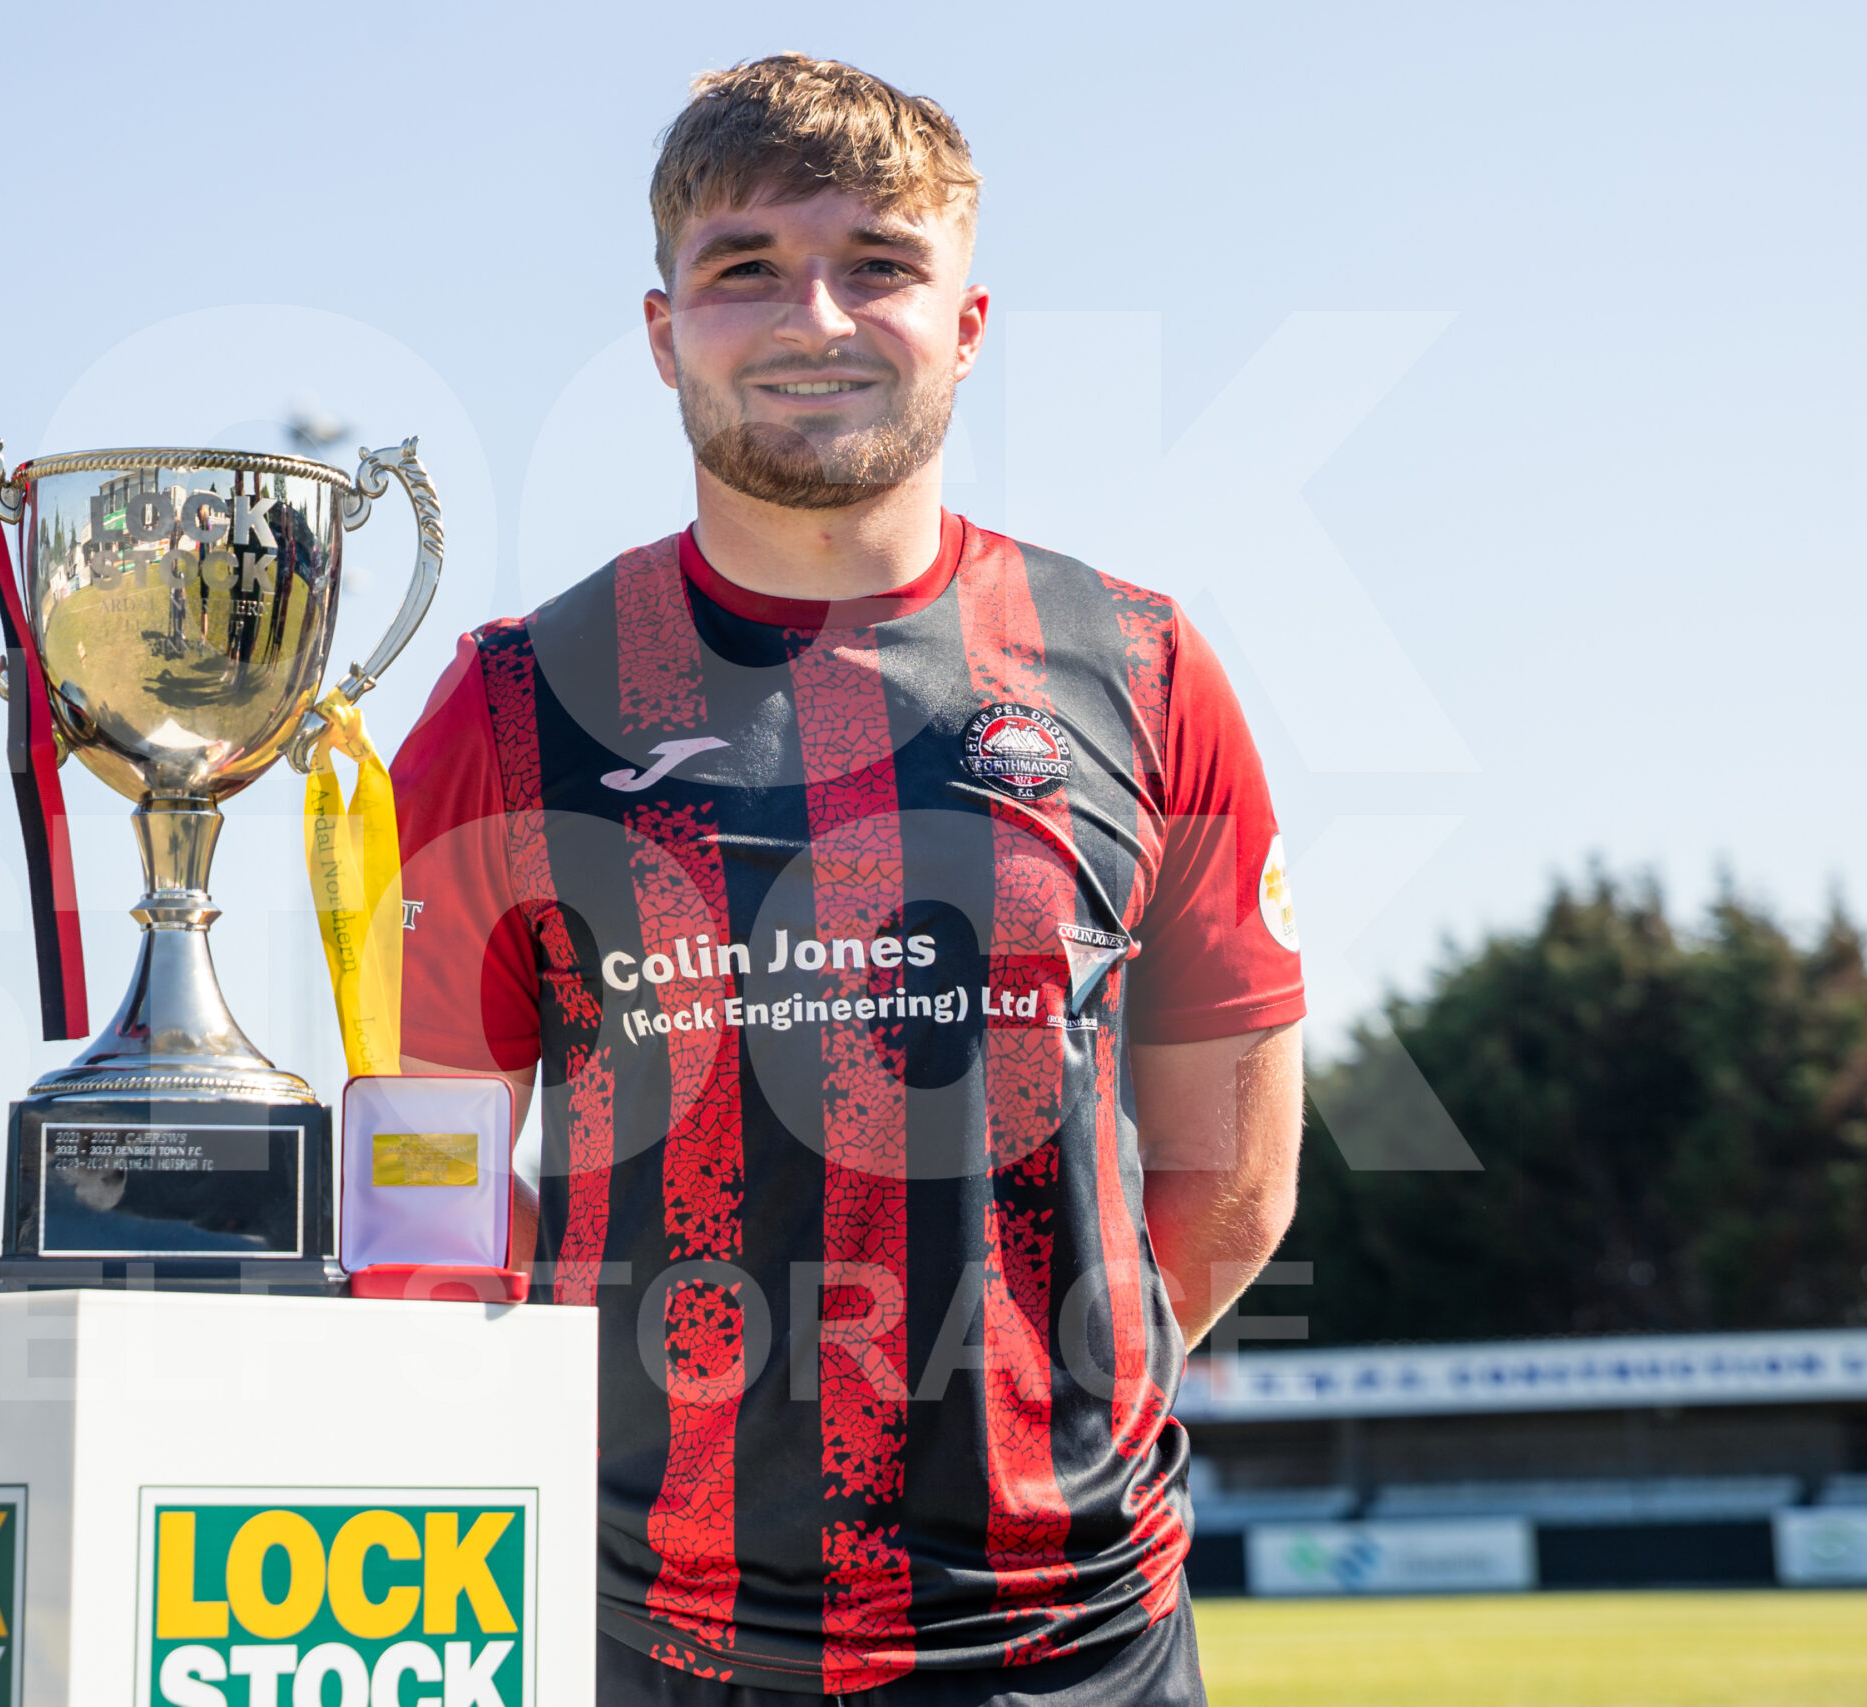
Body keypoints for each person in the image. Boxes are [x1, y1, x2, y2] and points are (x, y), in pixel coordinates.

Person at [391, 53, 1304, 1706]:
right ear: (664, 330)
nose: (814, 316)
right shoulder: (508, 707)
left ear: (966, 322)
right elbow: (419, 1183)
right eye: (745, 266)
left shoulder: (1144, 671)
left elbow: (1233, 1174)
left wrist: (1041, 1405)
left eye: (879, 262)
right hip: (637, 1637)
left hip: (1075, 1642)